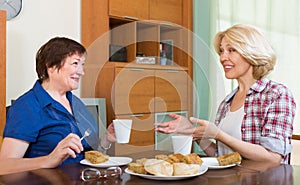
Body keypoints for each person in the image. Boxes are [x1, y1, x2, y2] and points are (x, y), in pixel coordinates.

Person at [155, 24, 296, 165]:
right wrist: (195, 133)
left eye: (231, 50)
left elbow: (273, 157)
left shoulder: (276, 95)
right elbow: (221, 156)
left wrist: (218, 134)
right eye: (222, 51)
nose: (223, 58)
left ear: (252, 53)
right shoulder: (227, 102)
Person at [0, 37, 116, 175]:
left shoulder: (76, 103)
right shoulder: (27, 106)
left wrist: (105, 141)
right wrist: (49, 160)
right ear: (51, 66)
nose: (81, 72)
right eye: (75, 63)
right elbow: (4, 165)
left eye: (82, 65)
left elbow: (86, 156)